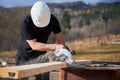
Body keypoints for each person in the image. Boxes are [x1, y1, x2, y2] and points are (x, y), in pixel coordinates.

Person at [15, 1, 65, 80]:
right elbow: (34, 45)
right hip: (24, 56)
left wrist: (63, 50)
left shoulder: (53, 20)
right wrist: (55, 46)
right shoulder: (26, 22)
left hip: (42, 55)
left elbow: (60, 39)